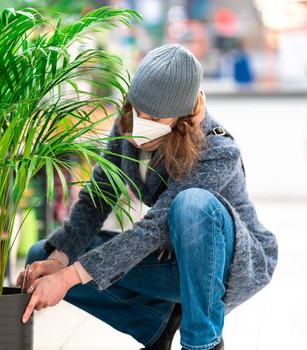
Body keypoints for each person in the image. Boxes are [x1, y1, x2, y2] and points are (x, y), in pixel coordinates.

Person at [16, 44, 278, 350]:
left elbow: (156, 226)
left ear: (180, 117)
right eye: (138, 108)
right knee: (41, 256)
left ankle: (202, 343)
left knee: (192, 204)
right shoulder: (127, 125)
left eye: (154, 116)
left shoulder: (216, 149)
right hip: (173, 257)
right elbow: (98, 197)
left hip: (227, 263)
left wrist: (70, 277)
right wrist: (60, 260)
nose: (141, 120)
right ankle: (158, 323)